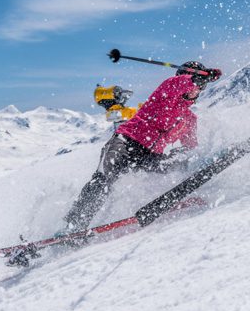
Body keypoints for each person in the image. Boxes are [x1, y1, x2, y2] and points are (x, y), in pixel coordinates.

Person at [63, 61, 221, 232]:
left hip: (150, 156)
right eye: (196, 84)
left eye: (200, 88)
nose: (196, 90)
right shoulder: (168, 89)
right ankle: (75, 224)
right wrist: (202, 77)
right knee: (105, 177)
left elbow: (191, 148)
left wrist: (195, 161)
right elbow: (182, 82)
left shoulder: (189, 119)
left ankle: (173, 195)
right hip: (125, 142)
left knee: (178, 160)